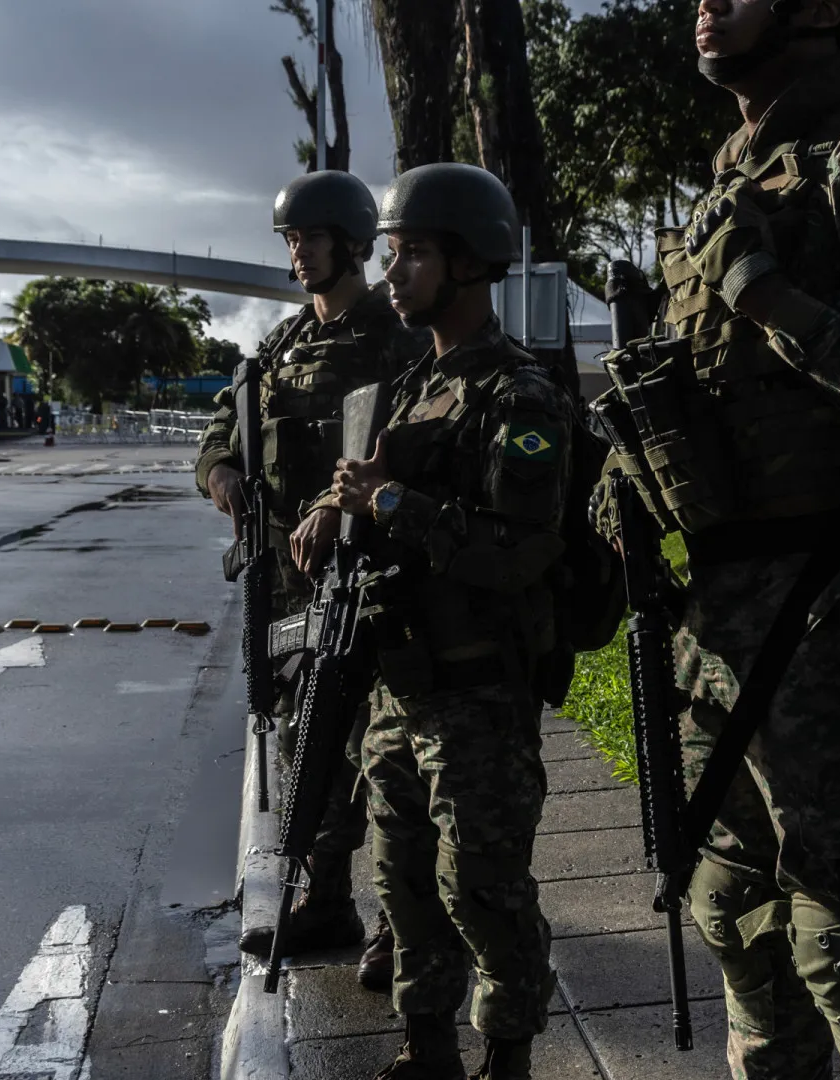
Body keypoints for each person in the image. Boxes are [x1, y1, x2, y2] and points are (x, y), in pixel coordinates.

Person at [585, 0, 840, 1074]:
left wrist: (767, 295)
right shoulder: (728, 183)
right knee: (732, 907)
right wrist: (628, 488)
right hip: (720, 623)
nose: (705, 6)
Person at [305, 162, 575, 1079]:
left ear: (469, 261)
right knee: (405, 884)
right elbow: (372, 485)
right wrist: (336, 508)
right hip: (399, 682)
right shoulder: (414, 382)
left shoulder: (520, 395)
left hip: (476, 691)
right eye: (390, 253)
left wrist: (387, 507)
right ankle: (426, 1048)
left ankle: (507, 1056)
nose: (392, 272)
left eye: (413, 252)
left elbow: (518, 552)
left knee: (484, 889)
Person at [196, 169, 425, 992]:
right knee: (307, 752)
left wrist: (339, 502)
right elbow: (220, 437)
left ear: (354, 243)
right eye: (291, 239)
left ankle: (402, 929)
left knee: (386, 761)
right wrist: (227, 483)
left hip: (372, 579)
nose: (298, 253)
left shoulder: (393, 338)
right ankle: (326, 900)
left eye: (311, 238)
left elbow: (407, 437)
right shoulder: (278, 348)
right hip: (292, 592)